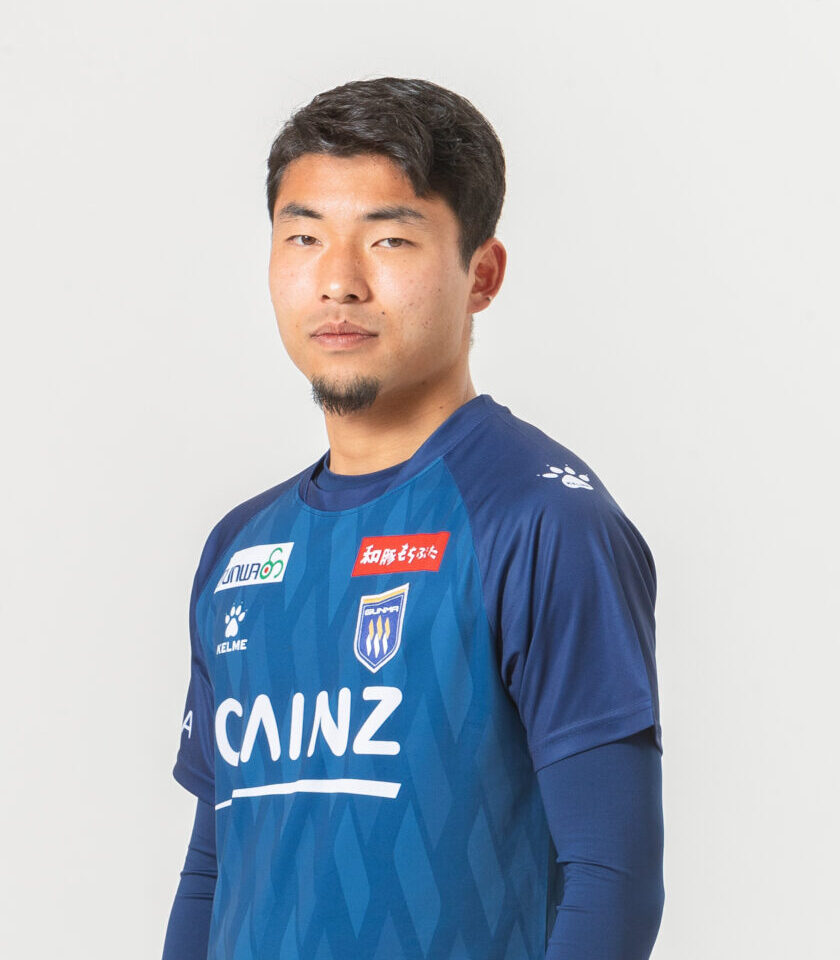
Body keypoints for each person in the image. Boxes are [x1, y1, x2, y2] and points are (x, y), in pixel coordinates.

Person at [162, 76, 665, 960]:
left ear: (483, 274)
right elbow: (214, 867)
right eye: (304, 236)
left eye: (389, 238)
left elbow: (612, 879)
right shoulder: (240, 547)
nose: (339, 281)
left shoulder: (540, 521)